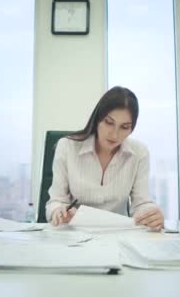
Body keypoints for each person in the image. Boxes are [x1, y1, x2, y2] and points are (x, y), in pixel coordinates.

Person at [45, 86, 165, 231]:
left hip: (119, 235)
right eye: (109, 123)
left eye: (124, 127)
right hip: (74, 235)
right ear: (97, 119)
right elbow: (56, 201)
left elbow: (140, 204)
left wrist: (150, 214)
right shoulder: (67, 147)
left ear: (132, 128)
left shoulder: (139, 153)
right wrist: (58, 211)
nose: (115, 135)